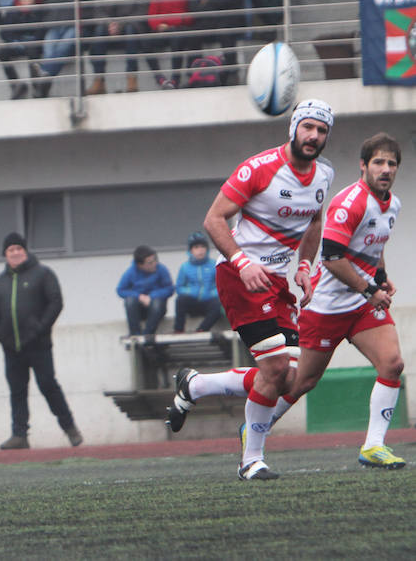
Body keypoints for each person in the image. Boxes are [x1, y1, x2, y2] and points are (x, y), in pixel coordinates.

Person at [168, 133, 407, 471]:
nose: (385, 169)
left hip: (361, 304)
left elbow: (373, 245)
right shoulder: (350, 202)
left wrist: (380, 279)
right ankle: (215, 397)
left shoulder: (392, 204)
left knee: (392, 364)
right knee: (294, 380)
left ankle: (373, 446)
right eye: (379, 162)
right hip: (327, 306)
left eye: (392, 163)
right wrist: (369, 289)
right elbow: (335, 257)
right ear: (363, 166)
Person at [166, 99, 335, 481]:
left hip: (277, 283)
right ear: (293, 127)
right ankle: (250, 461)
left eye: (322, 131)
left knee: (290, 378)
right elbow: (213, 219)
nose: (314, 136)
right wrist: (243, 263)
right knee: (275, 369)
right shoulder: (259, 168)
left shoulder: (324, 176)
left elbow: (314, 223)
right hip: (239, 276)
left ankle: (196, 384)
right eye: (308, 127)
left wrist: (305, 268)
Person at [0, 232, 82, 450]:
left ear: (26, 251)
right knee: (17, 390)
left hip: (38, 345)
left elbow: (55, 302)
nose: (16, 253)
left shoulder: (43, 274)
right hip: (11, 348)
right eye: (11, 250)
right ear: (5, 255)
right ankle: (19, 435)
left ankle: (70, 429)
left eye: (19, 249)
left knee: (48, 385)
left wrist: (40, 328)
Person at [87, 0, 144, 95]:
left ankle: (131, 77)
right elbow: (97, 10)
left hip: (130, 25)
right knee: (98, 32)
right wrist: (109, 23)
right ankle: (99, 79)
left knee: (132, 31)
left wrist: (121, 23)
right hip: (107, 26)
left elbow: (141, 11)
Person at [187, 0, 242, 86]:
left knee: (226, 30)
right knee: (192, 34)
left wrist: (208, 0)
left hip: (228, 19)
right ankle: (195, 74)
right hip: (207, 20)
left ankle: (232, 73)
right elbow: (194, 7)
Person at [145, 0, 192, 89]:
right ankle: (159, 77)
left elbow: (189, 17)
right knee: (145, 42)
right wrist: (161, 25)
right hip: (162, 31)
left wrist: (167, 23)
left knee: (177, 38)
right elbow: (151, 18)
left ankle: (175, 79)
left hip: (177, 31)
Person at [116, 245, 174, 337]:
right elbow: (120, 290)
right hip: (139, 309)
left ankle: (148, 334)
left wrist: (152, 296)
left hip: (157, 307)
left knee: (157, 303)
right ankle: (135, 334)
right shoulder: (130, 272)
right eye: (150, 263)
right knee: (130, 301)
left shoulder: (161, 269)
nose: (154, 263)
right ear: (140, 265)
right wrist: (139, 296)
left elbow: (169, 289)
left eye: (155, 260)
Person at [173, 231, 222, 333]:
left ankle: (202, 329)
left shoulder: (214, 264)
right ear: (190, 251)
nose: (200, 250)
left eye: (202, 247)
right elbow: (179, 287)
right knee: (180, 300)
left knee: (218, 305)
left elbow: (222, 286)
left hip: (209, 302)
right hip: (193, 303)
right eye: (196, 247)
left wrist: (211, 293)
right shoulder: (185, 267)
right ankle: (178, 329)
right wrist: (193, 292)